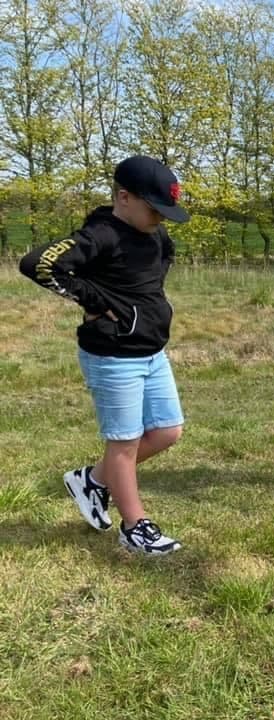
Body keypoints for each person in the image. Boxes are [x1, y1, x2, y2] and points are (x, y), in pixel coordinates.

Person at [19, 155, 190, 555]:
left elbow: (163, 257)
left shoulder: (155, 234)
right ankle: (136, 528)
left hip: (152, 352)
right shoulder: (100, 235)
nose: (161, 220)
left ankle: (93, 480)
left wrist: (143, 309)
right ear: (124, 197)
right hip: (113, 356)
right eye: (155, 210)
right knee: (124, 444)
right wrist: (97, 301)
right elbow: (37, 264)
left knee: (168, 431)